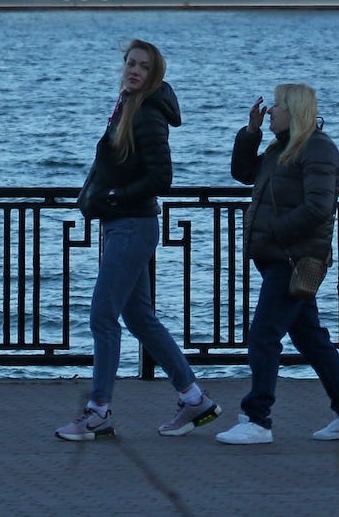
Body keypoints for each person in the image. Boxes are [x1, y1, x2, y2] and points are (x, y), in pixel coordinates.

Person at [56, 40, 218, 440]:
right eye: (130, 63)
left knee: (102, 315)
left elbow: (162, 178)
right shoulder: (127, 106)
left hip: (131, 226)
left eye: (143, 67)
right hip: (121, 225)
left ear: (154, 74)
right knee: (139, 317)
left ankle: (98, 410)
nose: (134, 70)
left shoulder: (146, 115)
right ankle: (194, 398)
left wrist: (114, 198)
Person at [217, 82, 339, 445]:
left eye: (277, 106)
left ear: (294, 110)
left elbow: (320, 206)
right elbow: (242, 173)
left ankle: (257, 419)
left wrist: (275, 232)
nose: (270, 110)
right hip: (277, 255)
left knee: (264, 335)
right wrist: (250, 133)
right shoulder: (279, 148)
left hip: (293, 257)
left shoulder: (318, 148)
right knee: (310, 338)